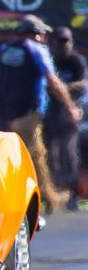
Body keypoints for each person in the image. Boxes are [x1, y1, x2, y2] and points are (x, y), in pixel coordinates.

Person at [0, 14, 81, 212]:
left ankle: (25, 196)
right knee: (36, 155)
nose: (44, 39)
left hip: (8, 114)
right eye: (43, 35)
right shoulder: (36, 49)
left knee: (15, 156)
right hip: (29, 112)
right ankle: (47, 197)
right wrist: (70, 106)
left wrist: (4, 105)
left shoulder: (5, 50)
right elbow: (53, 80)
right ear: (37, 34)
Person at [44, 26, 86, 210]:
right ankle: (54, 193)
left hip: (70, 112)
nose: (63, 45)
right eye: (60, 42)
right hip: (49, 111)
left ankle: (72, 194)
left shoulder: (76, 61)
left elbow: (83, 84)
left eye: (66, 41)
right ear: (52, 43)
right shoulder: (49, 60)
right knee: (50, 154)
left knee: (69, 154)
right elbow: (45, 84)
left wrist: (62, 89)